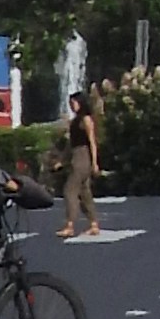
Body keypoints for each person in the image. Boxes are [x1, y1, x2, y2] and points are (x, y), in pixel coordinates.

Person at [54, 86, 97, 236]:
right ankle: (93, 223)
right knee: (85, 192)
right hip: (75, 157)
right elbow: (70, 144)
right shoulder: (75, 121)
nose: (72, 105)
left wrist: (95, 162)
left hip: (82, 158)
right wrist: (62, 160)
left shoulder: (86, 120)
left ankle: (70, 225)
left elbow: (92, 142)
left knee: (69, 191)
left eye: (74, 103)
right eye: (70, 103)